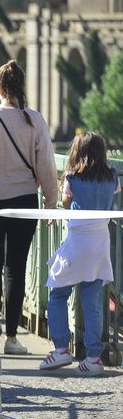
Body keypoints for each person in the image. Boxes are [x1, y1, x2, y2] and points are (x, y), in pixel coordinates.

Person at [0, 60, 58, 355]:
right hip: (25, 201)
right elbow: (47, 166)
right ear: (21, 88)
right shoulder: (34, 120)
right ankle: (13, 338)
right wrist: (51, 201)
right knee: (15, 267)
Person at [39, 132, 118, 377]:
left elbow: (65, 202)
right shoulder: (112, 178)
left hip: (77, 242)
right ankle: (94, 357)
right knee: (92, 299)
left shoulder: (73, 177)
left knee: (58, 291)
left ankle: (62, 348)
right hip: (99, 244)